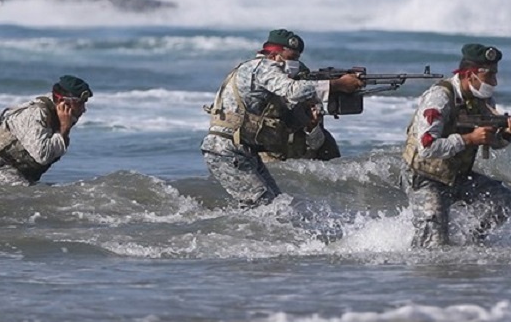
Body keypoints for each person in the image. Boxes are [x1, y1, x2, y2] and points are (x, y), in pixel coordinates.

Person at [201, 29, 364, 209]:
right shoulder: (262, 66)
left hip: (241, 149)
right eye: (291, 57)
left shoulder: (253, 70)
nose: (294, 63)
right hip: (227, 149)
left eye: (297, 58)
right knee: (260, 205)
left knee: (276, 204)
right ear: (274, 54)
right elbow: (292, 90)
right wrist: (338, 84)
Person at [401, 43, 511, 248]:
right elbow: (426, 147)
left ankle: (470, 243)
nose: (494, 82)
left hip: (457, 176)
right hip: (425, 177)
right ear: (470, 76)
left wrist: (505, 134)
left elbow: (492, 141)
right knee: (433, 243)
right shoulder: (440, 97)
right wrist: (470, 139)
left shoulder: (483, 100)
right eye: (490, 76)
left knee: (503, 200)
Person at [0, 75, 93, 186]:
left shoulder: (62, 116)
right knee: (29, 198)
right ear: (63, 102)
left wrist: (64, 129)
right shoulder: (36, 114)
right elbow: (43, 156)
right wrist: (64, 128)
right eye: (79, 103)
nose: (83, 109)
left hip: (22, 170)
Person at [261, 61, 341, 162]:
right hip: (269, 156)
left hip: (297, 156)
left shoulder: (309, 102)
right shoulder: (267, 100)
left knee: (328, 145)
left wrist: (312, 126)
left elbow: (316, 144)